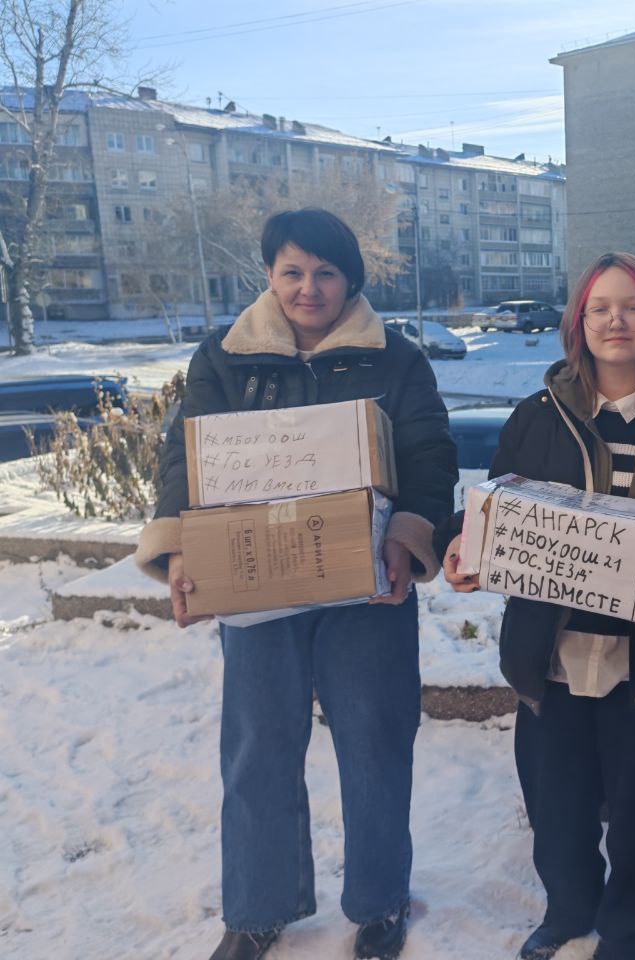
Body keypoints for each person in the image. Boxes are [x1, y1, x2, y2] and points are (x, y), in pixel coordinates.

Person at [135, 208, 458, 960]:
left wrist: (409, 542)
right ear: (270, 275)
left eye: (325, 272)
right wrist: (181, 548)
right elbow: (184, 459)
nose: (308, 288)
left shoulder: (396, 358)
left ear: (351, 278)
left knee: (377, 744)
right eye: (291, 271)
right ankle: (256, 908)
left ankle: (379, 902)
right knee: (256, 749)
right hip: (255, 589)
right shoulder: (222, 356)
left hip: (367, 588)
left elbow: (430, 454)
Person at [442, 252, 635, 960]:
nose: (616, 320)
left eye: (632, 305)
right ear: (577, 323)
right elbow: (495, 515)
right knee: (557, 807)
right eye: (600, 306)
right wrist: (466, 551)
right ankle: (569, 906)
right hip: (551, 658)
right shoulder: (535, 418)